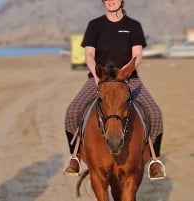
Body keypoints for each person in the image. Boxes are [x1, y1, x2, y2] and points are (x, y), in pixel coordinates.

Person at [64, 0, 165, 179]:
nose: (111, 1)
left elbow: (137, 55)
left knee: (155, 114)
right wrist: (97, 77)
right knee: (72, 112)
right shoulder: (95, 25)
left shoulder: (133, 26)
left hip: (128, 78)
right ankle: (75, 156)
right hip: (99, 79)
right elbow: (89, 54)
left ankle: (154, 160)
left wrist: (124, 74)